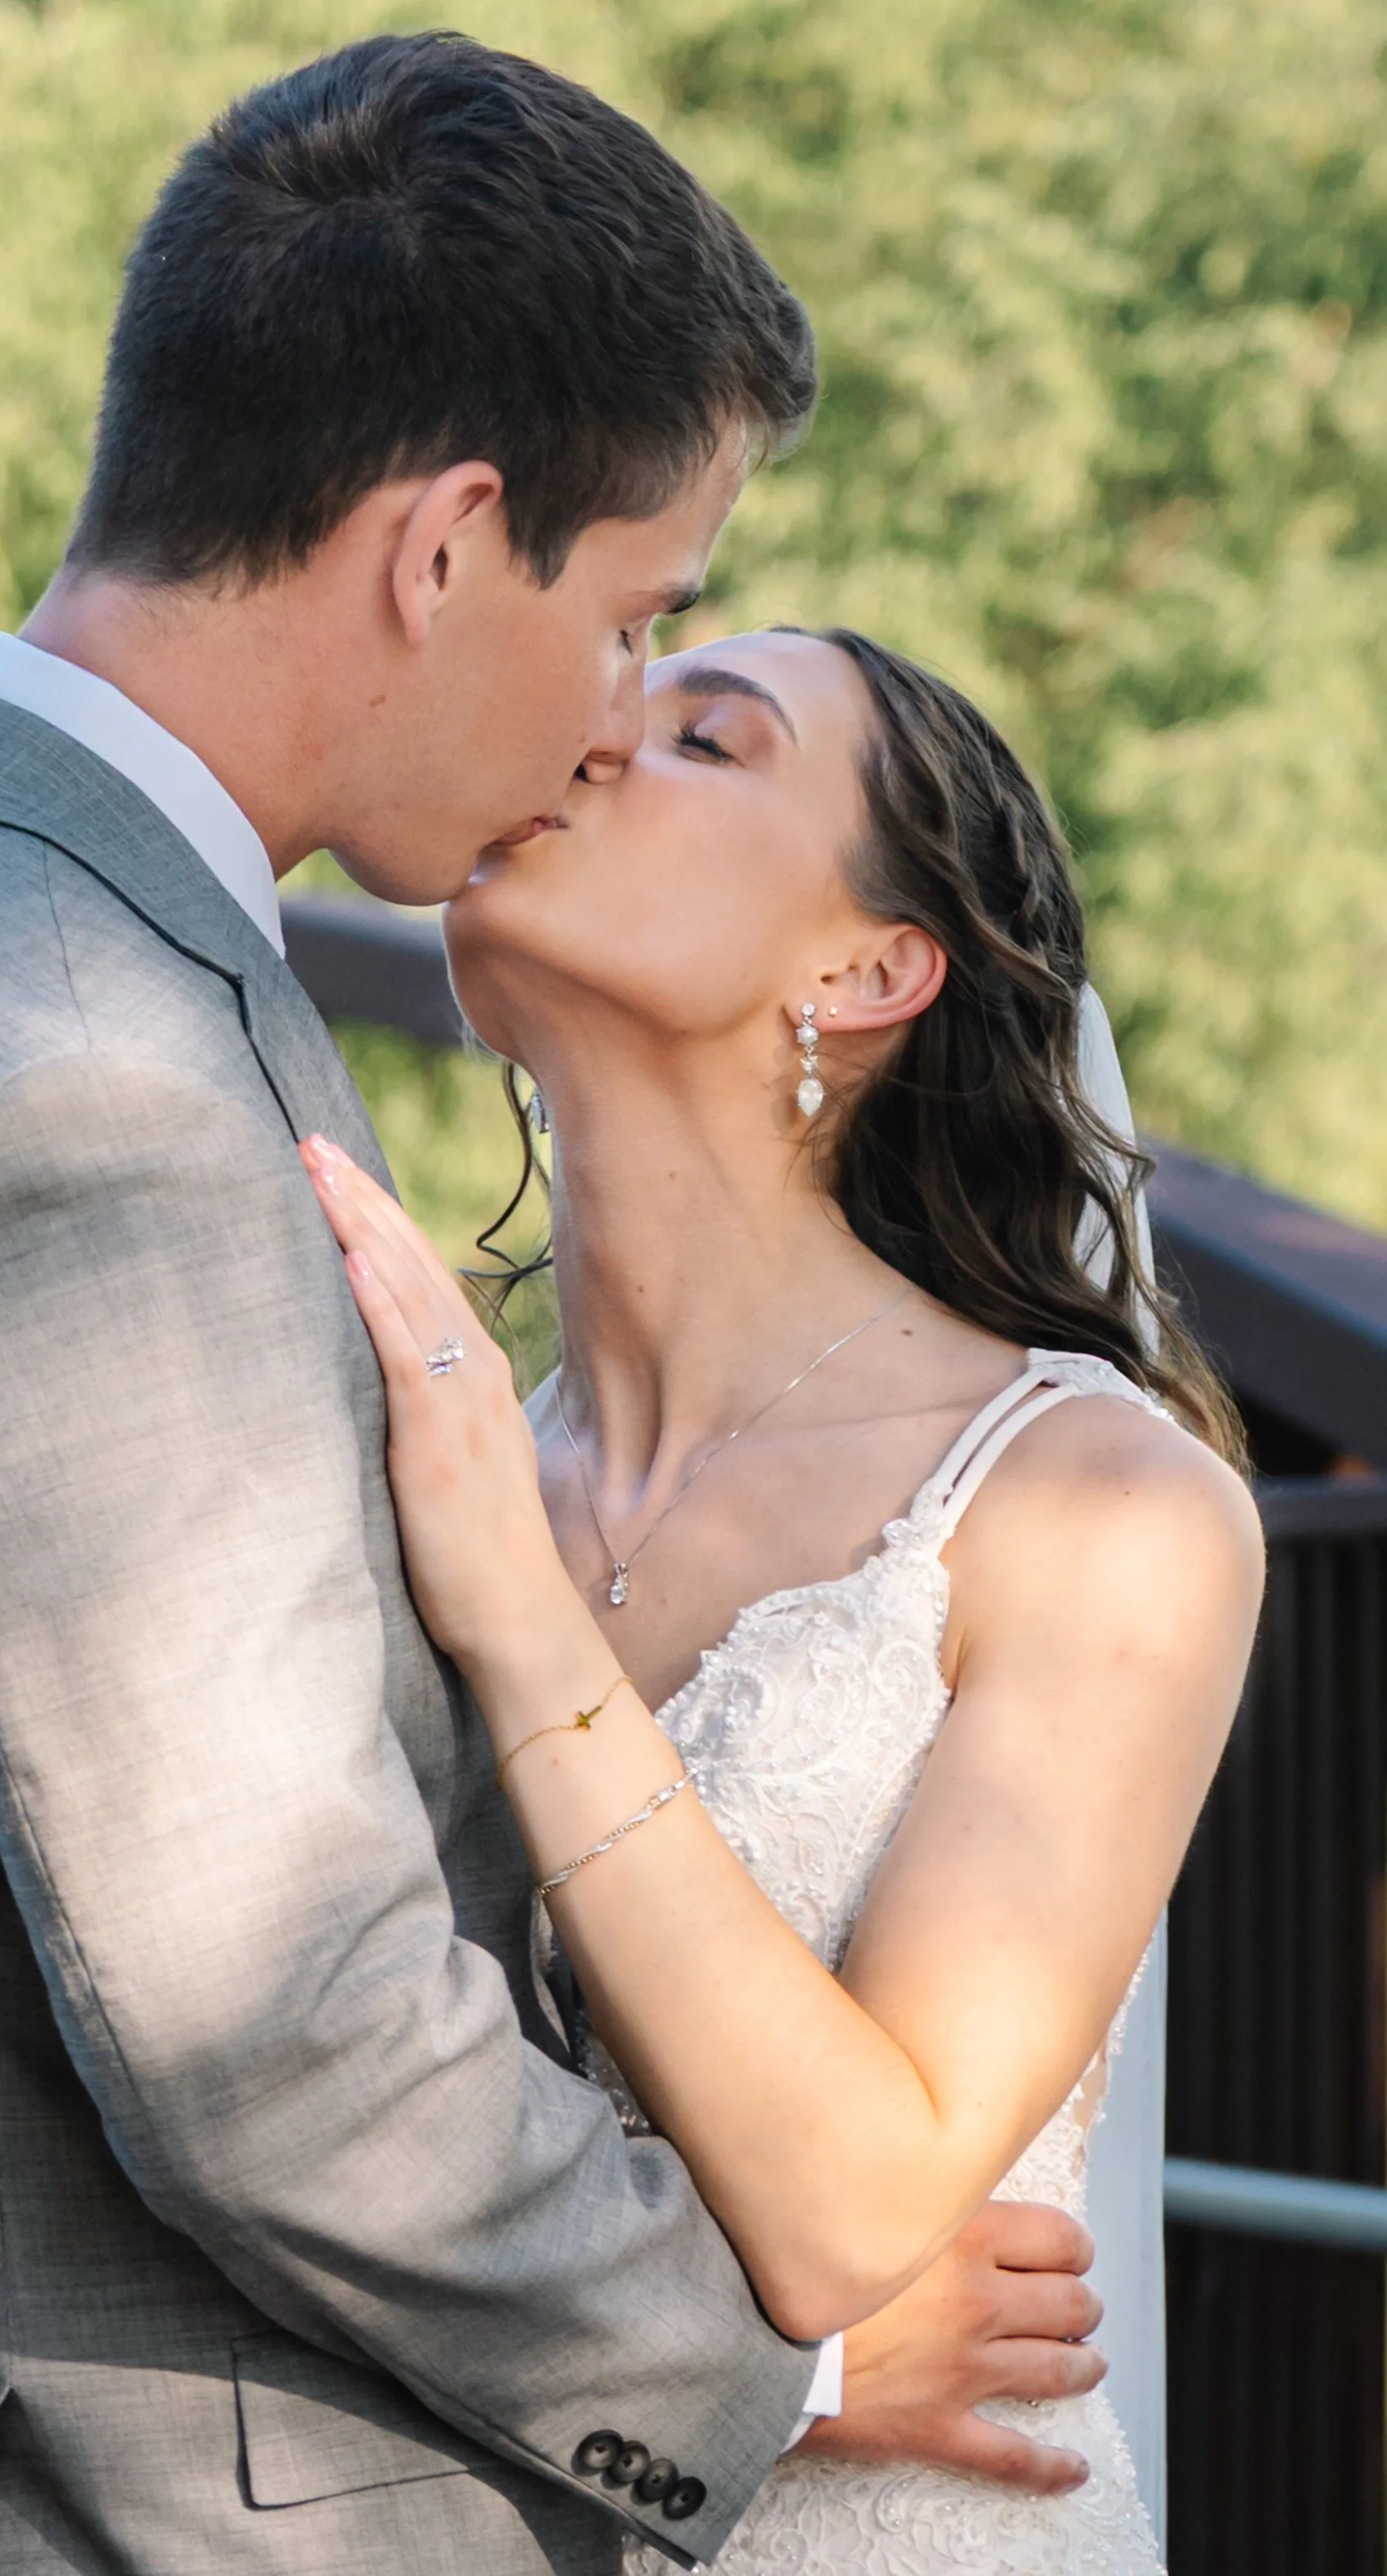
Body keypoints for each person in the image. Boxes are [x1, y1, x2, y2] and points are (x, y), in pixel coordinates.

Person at [0, 33, 1119, 2576]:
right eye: (630, 611)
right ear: (445, 549)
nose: (609, 718)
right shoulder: (88, 1088)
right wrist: (775, 2372)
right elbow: (280, 2030)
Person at [297, 623, 1263, 2569]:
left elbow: (854, 2220)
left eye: (702, 738)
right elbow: (267, 2104)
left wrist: (514, 1612)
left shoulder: (1098, 1509)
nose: (586, 736)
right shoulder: (405, 1461)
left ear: (865, 967)